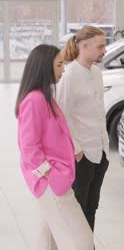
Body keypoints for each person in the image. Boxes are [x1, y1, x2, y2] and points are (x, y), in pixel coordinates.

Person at [16, 44, 93, 250]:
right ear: (44, 67)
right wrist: (51, 174)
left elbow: (54, 132)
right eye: (59, 64)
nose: (63, 68)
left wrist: (72, 148)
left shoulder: (44, 97)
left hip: (54, 177)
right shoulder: (34, 100)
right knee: (81, 241)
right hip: (50, 181)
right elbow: (29, 147)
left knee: (46, 240)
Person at [55, 26, 109, 232]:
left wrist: (106, 144)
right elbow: (62, 117)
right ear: (84, 46)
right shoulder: (69, 76)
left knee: (91, 208)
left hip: (100, 151)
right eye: (100, 46)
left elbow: (98, 111)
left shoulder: (96, 72)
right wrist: (76, 148)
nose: (104, 50)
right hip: (81, 155)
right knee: (77, 210)